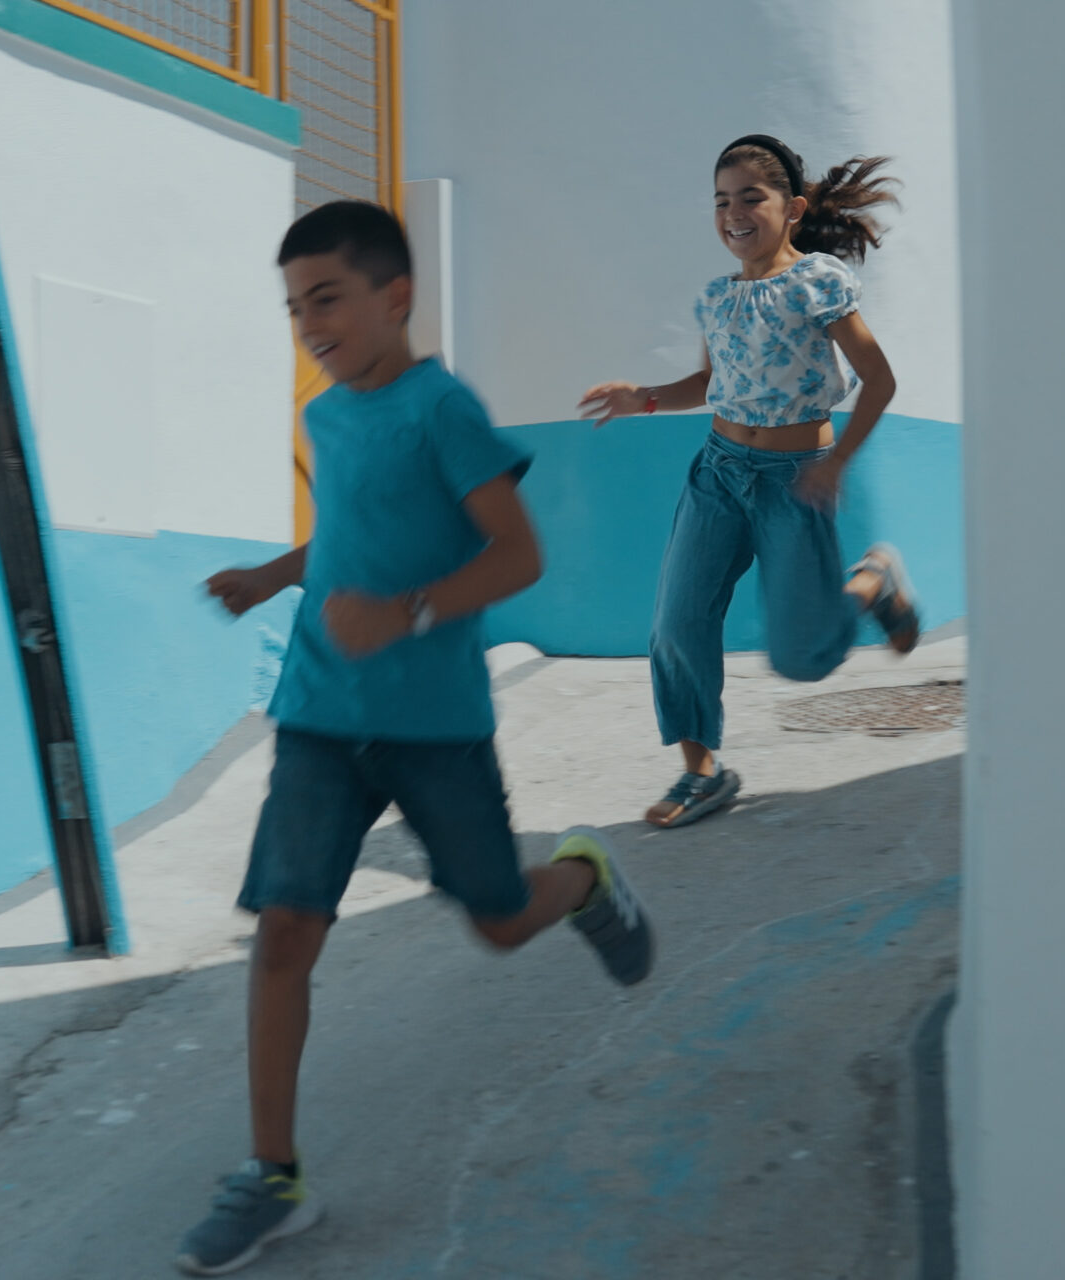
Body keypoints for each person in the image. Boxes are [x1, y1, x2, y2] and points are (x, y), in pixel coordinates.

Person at [178, 200, 654, 1276]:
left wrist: (406, 613)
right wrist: (275, 573)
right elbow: (350, 531)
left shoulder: (443, 410)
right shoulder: (329, 418)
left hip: (433, 728)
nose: (309, 323)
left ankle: (582, 880)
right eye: (295, 306)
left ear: (394, 297)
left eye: (328, 299)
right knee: (286, 930)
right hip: (318, 716)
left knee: (495, 922)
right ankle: (270, 1176)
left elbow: (515, 553)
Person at [579, 134, 923, 830]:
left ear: (792, 208)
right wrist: (641, 396)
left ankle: (871, 584)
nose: (733, 212)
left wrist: (837, 462)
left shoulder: (819, 282)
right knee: (677, 622)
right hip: (718, 473)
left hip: (794, 481)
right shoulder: (716, 298)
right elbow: (709, 385)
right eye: (721, 201)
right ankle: (701, 772)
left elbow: (880, 379)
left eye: (750, 198)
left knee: (802, 660)